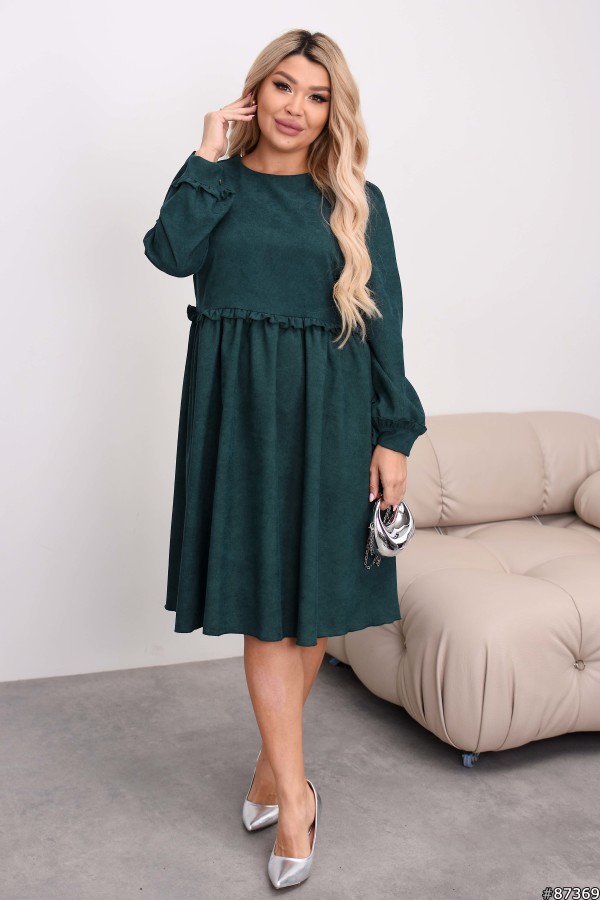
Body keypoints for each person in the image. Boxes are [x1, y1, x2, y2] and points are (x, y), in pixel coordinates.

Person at [143, 28, 427, 890]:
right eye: (283, 87)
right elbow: (169, 254)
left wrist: (394, 434)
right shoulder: (218, 185)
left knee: (310, 608)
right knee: (268, 611)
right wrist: (206, 151)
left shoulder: (355, 200)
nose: (296, 108)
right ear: (254, 91)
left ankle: (273, 769)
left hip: (331, 416)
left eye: (316, 95)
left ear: (333, 110)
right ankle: (297, 800)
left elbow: (384, 322)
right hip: (238, 415)